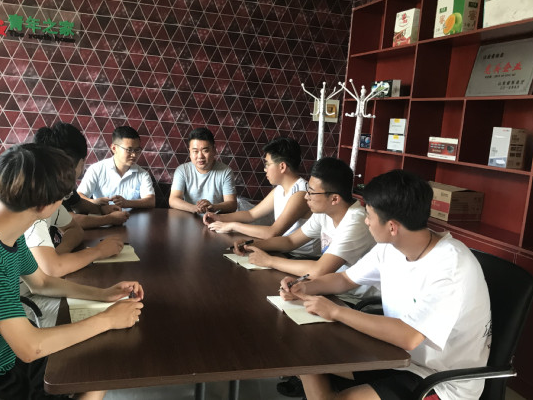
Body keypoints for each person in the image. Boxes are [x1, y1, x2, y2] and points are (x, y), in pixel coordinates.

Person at [0, 143, 144, 400]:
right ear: (44, 205)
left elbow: (41, 282)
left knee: (96, 364)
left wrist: (103, 294)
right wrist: (107, 320)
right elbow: (30, 348)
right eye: (62, 198)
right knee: (97, 372)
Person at [281, 169, 491, 400]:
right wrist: (305, 287)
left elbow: (410, 336)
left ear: (392, 227)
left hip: (439, 380)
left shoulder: (451, 265)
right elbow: (345, 279)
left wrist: (336, 311)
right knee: (309, 356)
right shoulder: (391, 247)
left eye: (369, 215)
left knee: (315, 373)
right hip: (395, 356)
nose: (366, 221)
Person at [233, 158, 376, 298]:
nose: (306, 197)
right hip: (332, 288)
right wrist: (252, 245)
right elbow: (290, 241)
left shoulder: (355, 221)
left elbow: (319, 270)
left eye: (311, 192)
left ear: (334, 199)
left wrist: (269, 261)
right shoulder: (325, 212)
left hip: (358, 300)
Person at [203, 137, 318, 257]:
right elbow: (251, 214)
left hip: (301, 258)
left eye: (267, 164)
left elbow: (272, 232)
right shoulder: (279, 189)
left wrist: (232, 225)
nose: (264, 169)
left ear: (282, 167)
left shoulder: (301, 193)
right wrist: (218, 217)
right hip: (282, 251)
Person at [34, 122, 130, 229]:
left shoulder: (58, 179)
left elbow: (78, 203)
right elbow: (70, 221)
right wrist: (109, 219)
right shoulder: (45, 187)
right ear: (79, 161)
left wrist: (101, 209)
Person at [78, 125, 156, 210]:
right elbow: (80, 196)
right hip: (102, 217)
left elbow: (151, 201)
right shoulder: (96, 169)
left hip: (131, 217)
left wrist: (127, 203)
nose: (134, 155)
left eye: (137, 150)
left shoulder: (143, 174)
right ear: (114, 148)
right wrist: (95, 203)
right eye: (129, 150)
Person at [169, 127, 237, 214]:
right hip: (190, 216)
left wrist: (212, 207)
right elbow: (173, 200)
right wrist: (195, 208)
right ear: (190, 152)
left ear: (214, 150)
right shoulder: (182, 170)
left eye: (205, 150)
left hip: (216, 218)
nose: (200, 156)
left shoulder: (226, 172)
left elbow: (232, 204)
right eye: (195, 151)